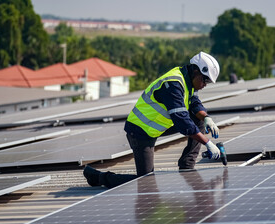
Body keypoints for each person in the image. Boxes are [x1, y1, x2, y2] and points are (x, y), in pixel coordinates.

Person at [83, 51, 221, 188]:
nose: (205, 84)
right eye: (205, 80)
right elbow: (182, 122)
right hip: (140, 131)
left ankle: (187, 164)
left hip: (156, 127)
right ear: (195, 70)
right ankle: (99, 177)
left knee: (199, 120)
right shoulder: (173, 84)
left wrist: (207, 117)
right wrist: (207, 143)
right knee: (145, 181)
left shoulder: (189, 80)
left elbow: (194, 102)